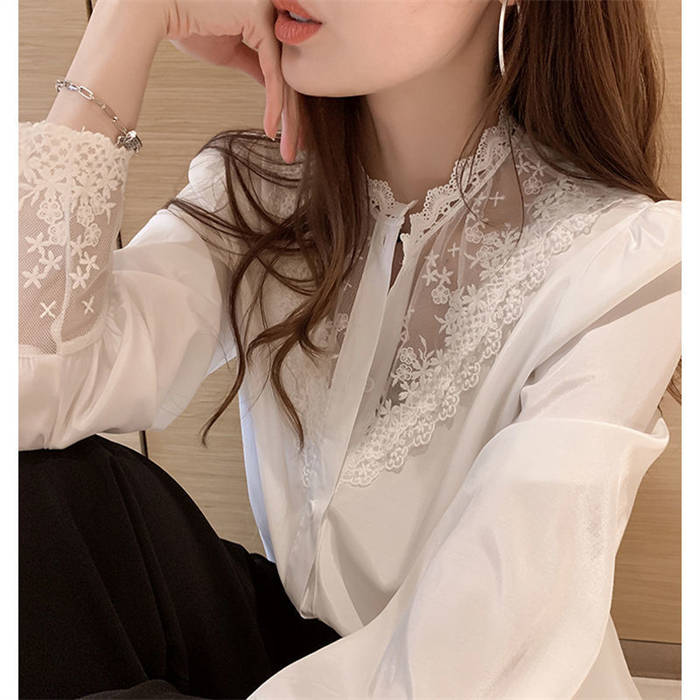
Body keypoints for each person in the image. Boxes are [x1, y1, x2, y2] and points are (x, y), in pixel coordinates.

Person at [19, 0, 681, 697]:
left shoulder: (618, 264)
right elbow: (30, 389)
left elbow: (475, 658)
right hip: (307, 649)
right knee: (35, 498)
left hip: (473, 682)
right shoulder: (268, 191)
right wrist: (128, 20)